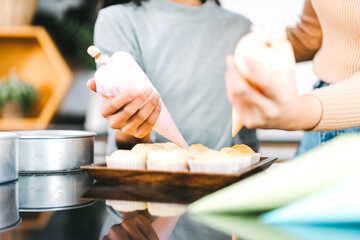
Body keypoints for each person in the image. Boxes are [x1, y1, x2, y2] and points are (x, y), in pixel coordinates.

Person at [88, 0, 256, 239]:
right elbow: (128, 141)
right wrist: (134, 126)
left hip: (221, 216)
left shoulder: (239, 29)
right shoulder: (118, 20)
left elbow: (248, 140)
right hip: (141, 209)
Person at [225, 0, 360, 155]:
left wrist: (302, 110)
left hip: (317, 109)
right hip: (320, 105)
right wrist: (254, 44)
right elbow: (311, 35)